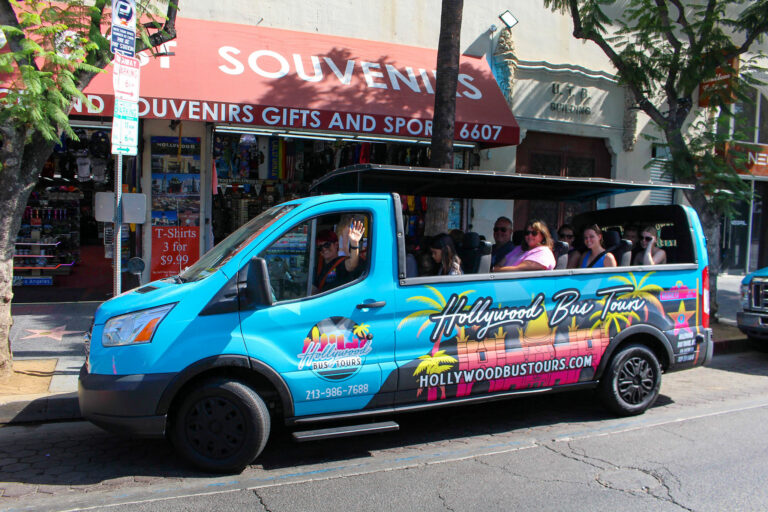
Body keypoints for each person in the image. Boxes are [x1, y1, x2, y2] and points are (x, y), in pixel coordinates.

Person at [313, 220, 365, 293]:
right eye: (320, 247)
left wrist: (354, 243)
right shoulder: (318, 267)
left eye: (327, 245)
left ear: (336, 245)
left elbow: (352, 264)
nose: (324, 249)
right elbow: (313, 289)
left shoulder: (341, 263)